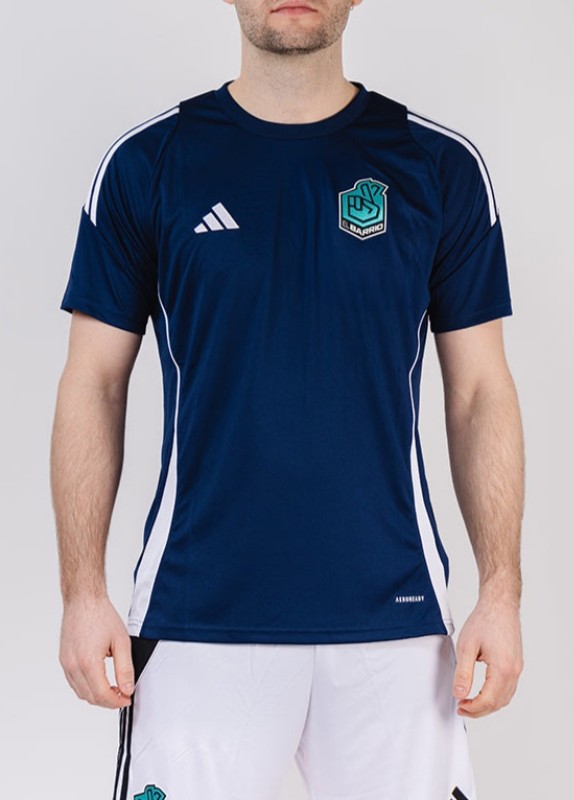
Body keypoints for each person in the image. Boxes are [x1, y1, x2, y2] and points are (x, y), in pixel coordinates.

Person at [50, 1, 525, 798]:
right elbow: (92, 384)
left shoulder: (437, 167)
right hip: (198, 615)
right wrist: (82, 592)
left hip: (396, 623)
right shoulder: (148, 164)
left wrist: (500, 592)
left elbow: (480, 392)